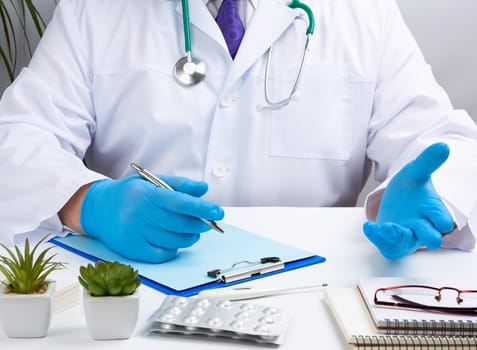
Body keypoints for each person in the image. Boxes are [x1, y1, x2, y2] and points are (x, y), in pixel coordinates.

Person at [1, 0, 477, 263]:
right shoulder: (96, 10)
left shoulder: (362, 12)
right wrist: (90, 202)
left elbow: (442, 139)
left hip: (313, 291)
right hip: (135, 289)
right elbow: (19, 136)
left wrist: (429, 191)